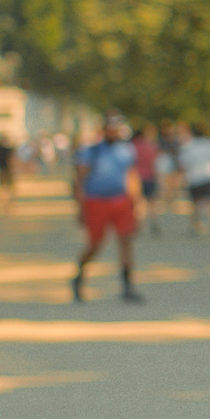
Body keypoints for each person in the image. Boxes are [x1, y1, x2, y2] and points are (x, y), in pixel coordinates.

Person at [72, 115, 147, 304]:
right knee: (95, 243)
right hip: (96, 201)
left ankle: (127, 285)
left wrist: (136, 202)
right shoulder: (92, 152)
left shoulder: (126, 151)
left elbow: (131, 176)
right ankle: (79, 276)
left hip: (120, 201)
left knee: (126, 240)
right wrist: (80, 206)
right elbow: (80, 179)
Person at [178, 123, 210, 236]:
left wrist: (182, 180)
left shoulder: (188, 147)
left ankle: (196, 225)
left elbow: (183, 165)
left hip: (194, 178)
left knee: (194, 204)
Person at [132, 123, 164, 238]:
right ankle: (154, 221)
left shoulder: (132, 147)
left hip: (136, 177)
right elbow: (155, 163)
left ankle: (140, 225)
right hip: (150, 176)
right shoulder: (151, 147)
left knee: (139, 202)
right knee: (151, 201)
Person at [0, 132, 19, 210]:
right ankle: (10, 202)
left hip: (1, 169)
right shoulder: (6, 149)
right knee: (9, 187)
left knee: (2, 187)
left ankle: (3, 202)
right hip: (6, 170)